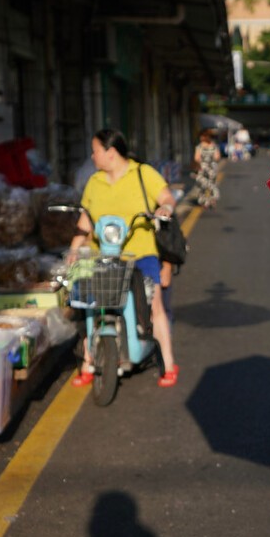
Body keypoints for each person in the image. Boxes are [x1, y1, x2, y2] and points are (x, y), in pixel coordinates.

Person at [68, 129, 179, 388]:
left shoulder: (143, 173)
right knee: (86, 303)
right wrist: (74, 249)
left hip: (141, 254)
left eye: (95, 150)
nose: (93, 156)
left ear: (110, 152)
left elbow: (166, 197)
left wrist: (166, 208)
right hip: (100, 255)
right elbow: (85, 220)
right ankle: (87, 360)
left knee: (154, 305)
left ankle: (168, 362)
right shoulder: (94, 182)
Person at [192, 129, 221, 209]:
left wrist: (199, 165)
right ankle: (212, 199)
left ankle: (203, 201)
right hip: (212, 168)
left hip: (202, 167)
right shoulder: (214, 146)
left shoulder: (199, 147)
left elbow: (196, 158)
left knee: (202, 185)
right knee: (212, 183)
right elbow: (217, 157)